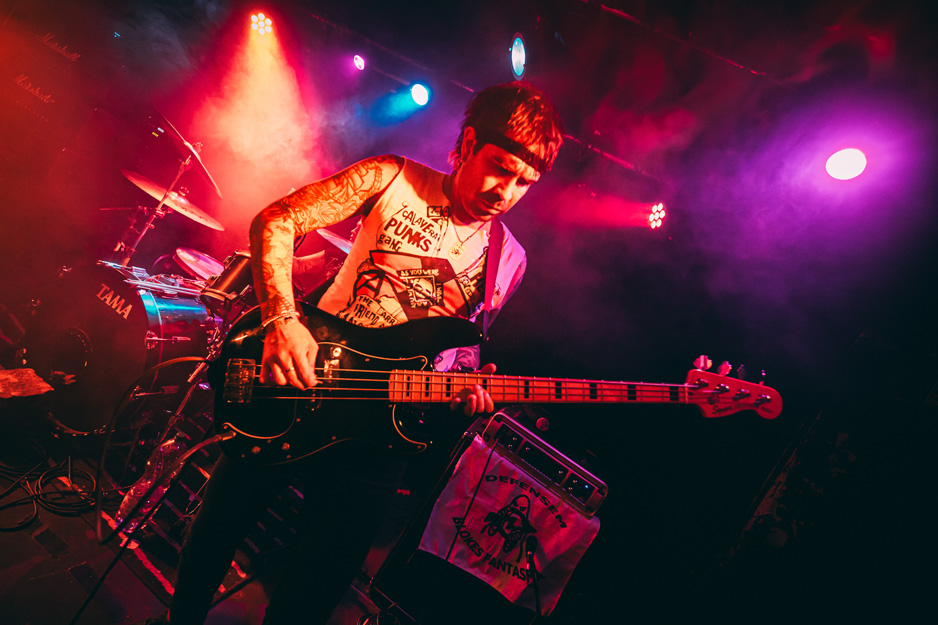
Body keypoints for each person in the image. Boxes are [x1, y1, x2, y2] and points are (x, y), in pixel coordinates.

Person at [153, 81, 563, 625]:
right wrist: (282, 320)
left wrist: (466, 389)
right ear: (467, 144)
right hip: (300, 383)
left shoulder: (510, 259)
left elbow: (456, 353)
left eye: (524, 182)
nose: (505, 191)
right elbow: (276, 220)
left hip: (380, 435)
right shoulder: (392, 177)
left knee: (317, 588)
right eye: (499, 168)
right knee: (216, 532)